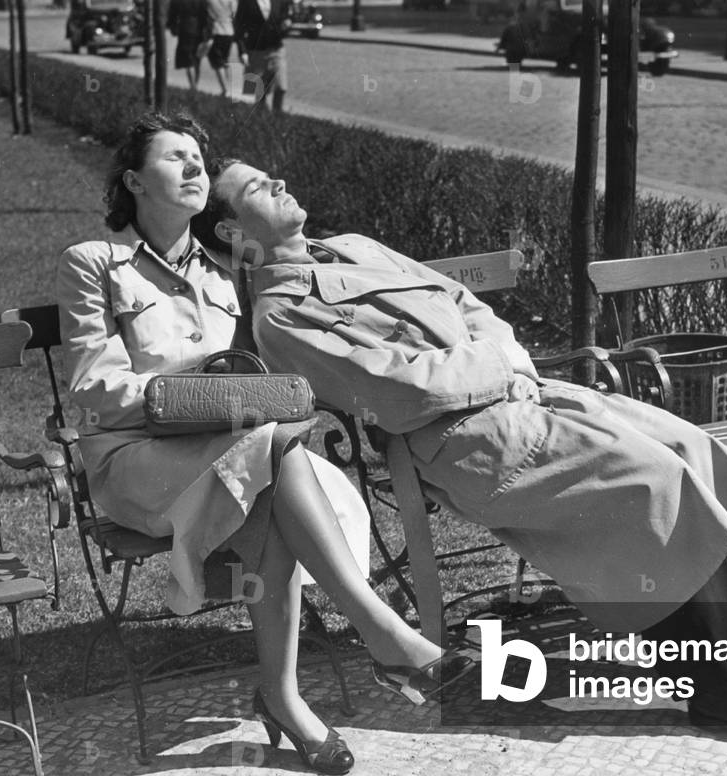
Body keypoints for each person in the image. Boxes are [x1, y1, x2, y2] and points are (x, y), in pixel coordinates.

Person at [192, 158, 727, 748]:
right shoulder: (281, 315)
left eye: (269, 175)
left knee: (689, 445)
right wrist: (497, 368)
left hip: (521, 392)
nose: (275, 182)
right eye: (254, 187)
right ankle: (719, 685)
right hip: (467, 439)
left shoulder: (350, 247)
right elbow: (397, 391)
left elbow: (462, 301)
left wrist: (504, 356)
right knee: (653, 480)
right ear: (229, 231)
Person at [56, 114, 471, 776]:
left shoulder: (229, 271)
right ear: (133, 181)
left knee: (269, 480)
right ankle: (384, 635)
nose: (195, 166)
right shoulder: (94, 264)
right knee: (273, 459)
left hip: (241, 451)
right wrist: (200, 392)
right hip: (134, 461)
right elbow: (93, 386)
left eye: (199, 156)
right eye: (175, 157)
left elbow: (267, 369)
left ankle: (287, 697)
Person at [233, 0, 291, 114]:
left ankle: (277, 114)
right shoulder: (246, 2)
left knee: (281, 86)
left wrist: (287, 23)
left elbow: (286, 16)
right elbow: (239, 26)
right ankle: (261, 115)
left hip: (276, 49)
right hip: (256, 50)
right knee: (259, 90)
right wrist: (242, 51)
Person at [168, 0, 210, 90]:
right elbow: (206, 15)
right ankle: (195, 85)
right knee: (197, 59)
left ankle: (193, 86)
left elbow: (172, 13)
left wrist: (173, 27)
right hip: (198, 30)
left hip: (184, 29)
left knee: (188, 59)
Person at [205, 0, 242, 96]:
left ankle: (225, 89)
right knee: (225, 60)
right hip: (229, 31)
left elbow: (206, 14)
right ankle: (229, 87)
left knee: (217, 62)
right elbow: (235, 15)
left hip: (216, 31)